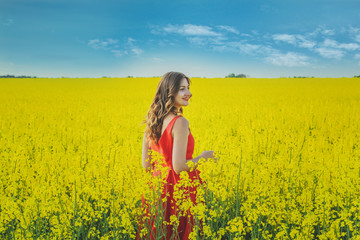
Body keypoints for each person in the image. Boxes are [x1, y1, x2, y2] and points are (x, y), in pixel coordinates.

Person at [141, 71, 216, 240]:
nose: (188, 93)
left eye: (188, 88)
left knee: (159, 232)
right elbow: (179, 166)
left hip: (157, 187)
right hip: (178, 188)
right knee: (179, 233)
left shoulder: (151, 121)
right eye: (182, 89)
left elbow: (146, 165)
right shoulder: (180, 122)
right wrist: (203, 157)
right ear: (170, 92)